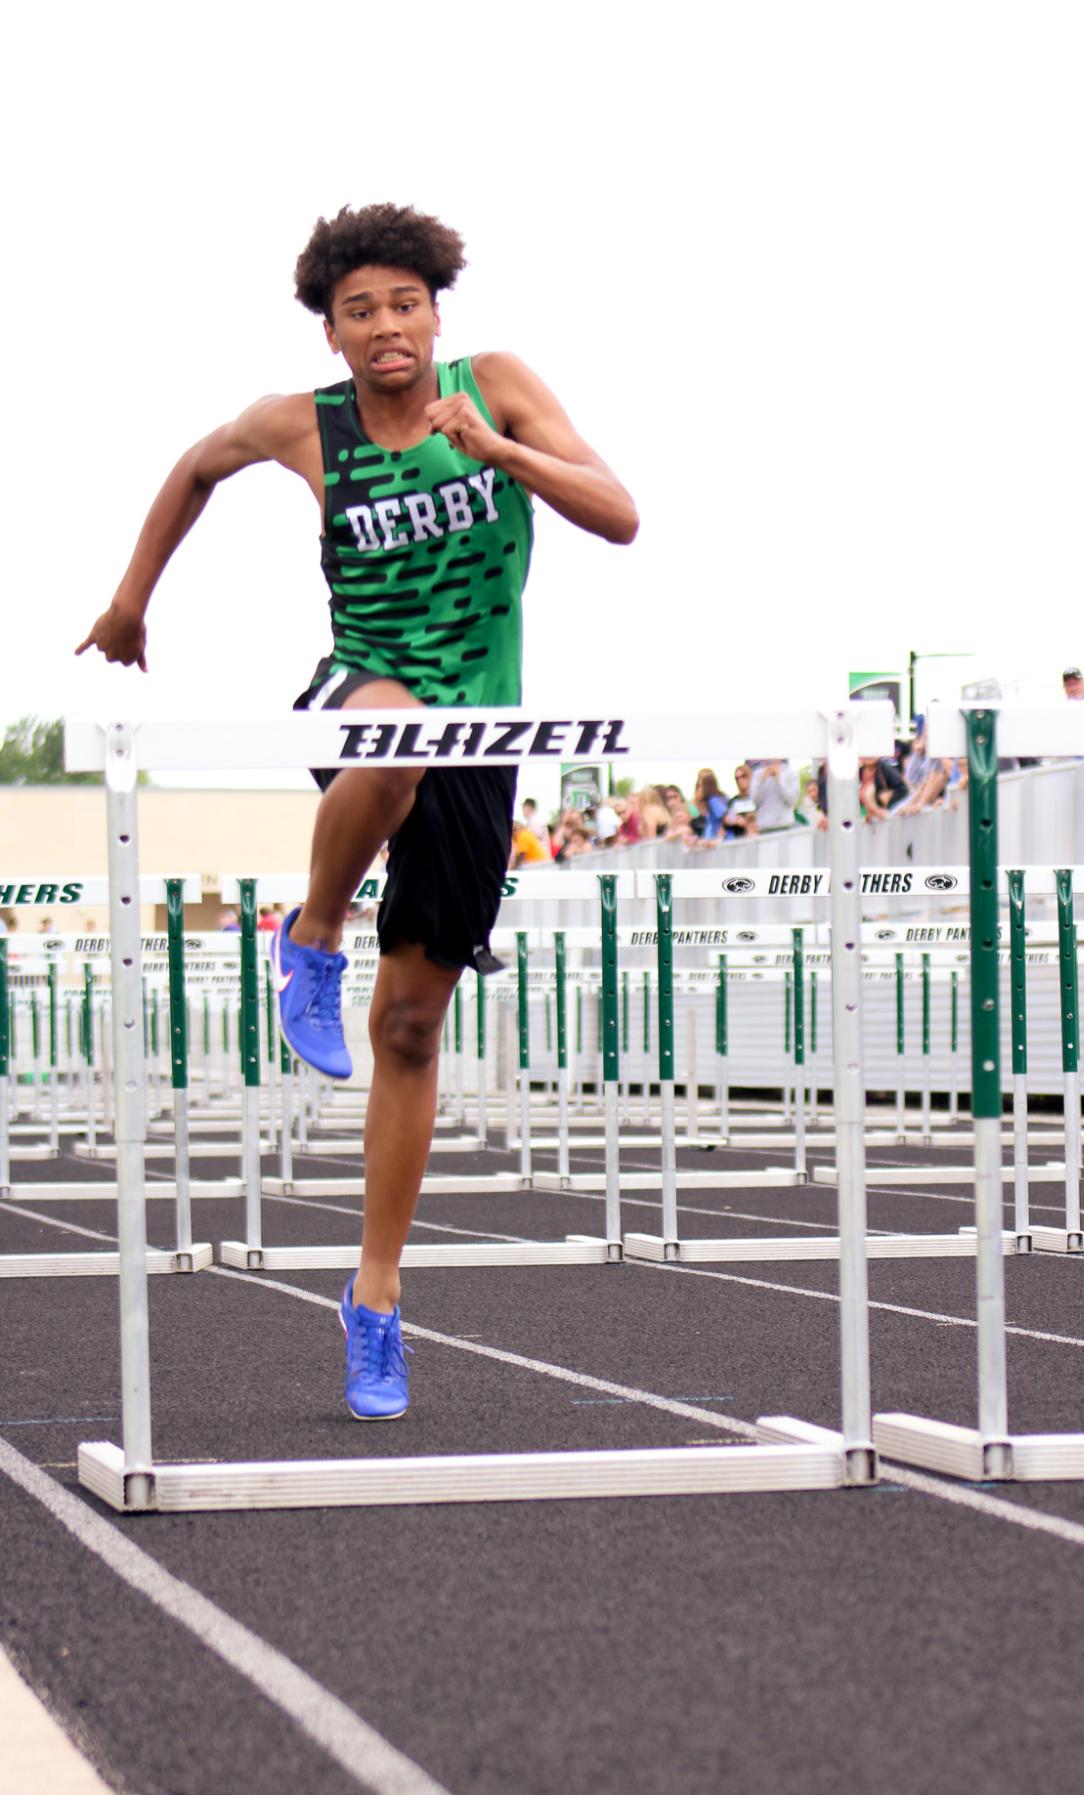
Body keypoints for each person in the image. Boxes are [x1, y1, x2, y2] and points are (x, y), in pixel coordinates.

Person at [77, 202, 637, 1421]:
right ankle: (312, 933)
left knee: (410, 1034)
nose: (386, 326)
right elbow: (195, 466)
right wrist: (130, 604)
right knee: (390, 746)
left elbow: (618, 512)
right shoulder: (306, 425)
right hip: (362, 686)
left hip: (487, 734)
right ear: (330, 334)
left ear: (436, 312)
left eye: (405, 304)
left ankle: (374, 1295)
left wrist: (499, 455)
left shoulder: (495, 387)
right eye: (360, 311)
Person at [751, 758, 799, 831]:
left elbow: (793, 801)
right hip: (764, 828)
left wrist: (779, 779)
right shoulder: (758, 774)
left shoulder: (791, 772)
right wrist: (761, 781)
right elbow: (755, 802)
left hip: (786, 826)